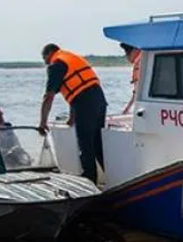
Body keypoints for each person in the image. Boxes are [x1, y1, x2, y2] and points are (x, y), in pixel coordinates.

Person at [39, 43, 107, 182]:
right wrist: (72, 117)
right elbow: (77, 89)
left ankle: (89, 180)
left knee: (85, 144)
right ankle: (112, 176)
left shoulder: (56, 64)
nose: (46, 64)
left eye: (45, 59)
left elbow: (49, 96)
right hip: (99, 101)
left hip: (86, 104)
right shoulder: (70, 58)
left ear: (49, 54)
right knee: (97, 143)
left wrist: (43, 122)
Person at [121, 43, 141, 115]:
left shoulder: (140, 63)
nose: (127, 57)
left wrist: (127, 109)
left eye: (128, 53)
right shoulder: (142, 60)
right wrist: (127, 109)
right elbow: (136, 93)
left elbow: (137, 93)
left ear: (135, 50)